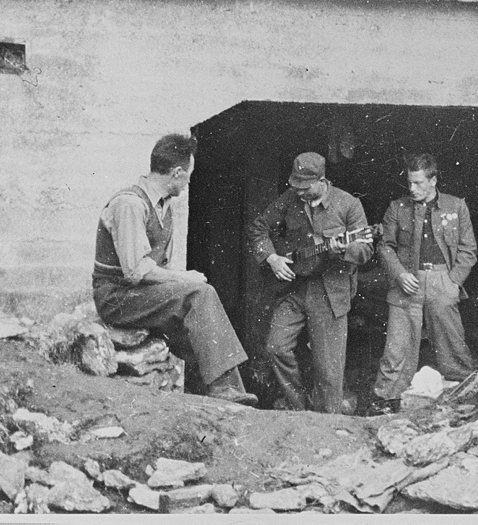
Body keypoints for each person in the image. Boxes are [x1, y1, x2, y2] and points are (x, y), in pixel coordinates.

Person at [92, 133, 257, 406]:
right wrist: (184, 279)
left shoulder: (163, 204)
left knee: (200, 319)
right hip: (117, 298)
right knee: (200, 294)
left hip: (138, 295)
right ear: (177, 172)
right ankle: (223, 391)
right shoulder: (131, 204)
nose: (189, 181)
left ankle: (224, 396)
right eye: (189, 175)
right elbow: (136, 271)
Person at [247, 152, 374, 413]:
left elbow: (365, 251)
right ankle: (299, 408)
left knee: (328, 370)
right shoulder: (290, 198)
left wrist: (340, 250)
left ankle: (328, 423)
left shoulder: (348, 205)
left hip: (329, 292)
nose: (301, 193)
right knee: (276, 347)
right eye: (296, 187)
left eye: (306, 188)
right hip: (294, 288)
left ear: (322, 181)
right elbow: (259, 227)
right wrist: (271, 258)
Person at [370, 153, 478, 413]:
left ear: (433, 180)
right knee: (397, 348)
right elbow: (385, 246)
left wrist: (452, 283)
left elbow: (468, 250)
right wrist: (399, 274)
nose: (412, 189)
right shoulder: (398, 208)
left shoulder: (456, 206)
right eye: (409, 183)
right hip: (408, 281)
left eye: (418, 183)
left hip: (443, 280)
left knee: (452, 345)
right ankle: (386, 402)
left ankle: (464, 398)